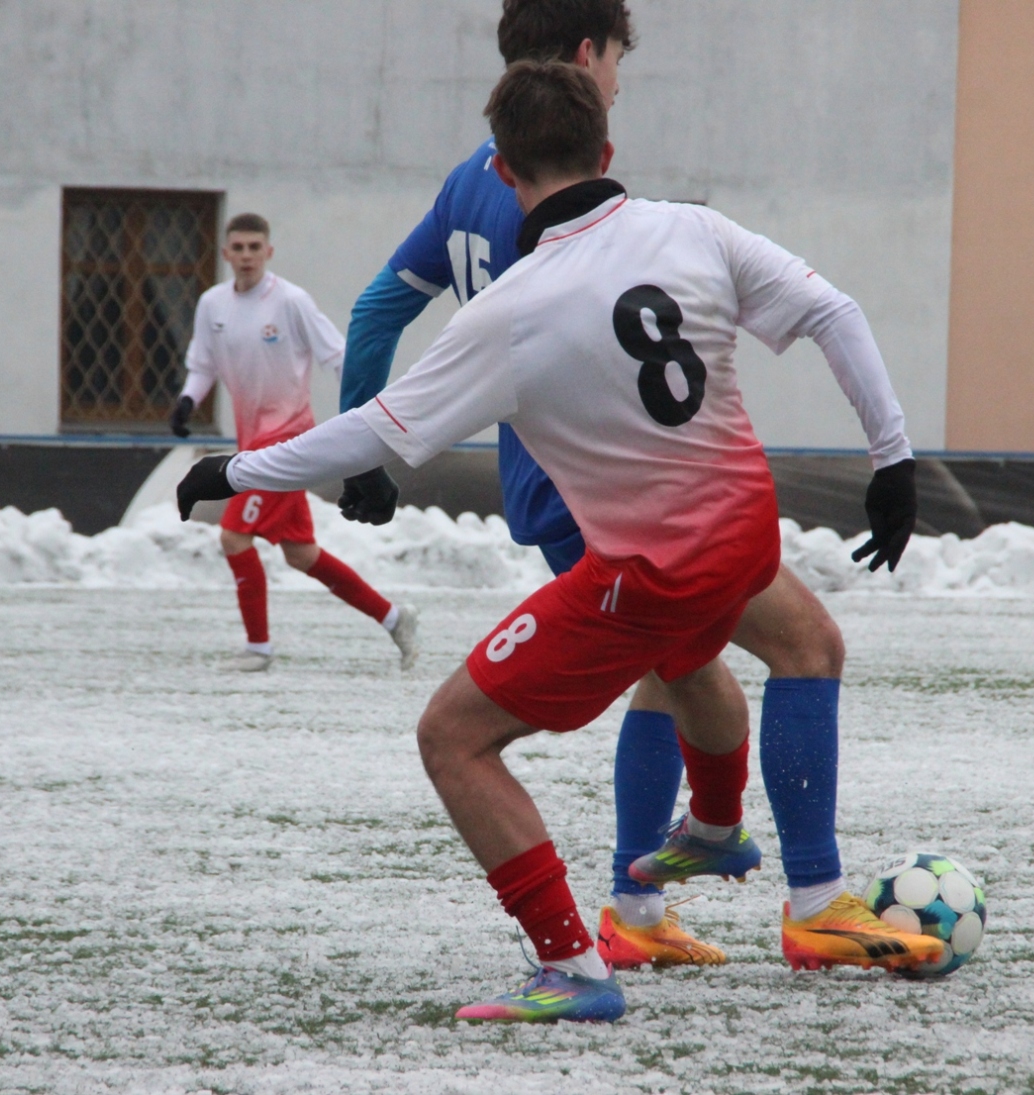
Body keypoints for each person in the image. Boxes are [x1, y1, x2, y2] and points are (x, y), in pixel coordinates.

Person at [177, 62, 943, 1021]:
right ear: (607, 148)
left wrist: (234, 471)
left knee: (453, 736)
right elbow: (835, 310)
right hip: (746, 539)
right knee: (720, 657)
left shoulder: (513, 309)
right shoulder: (694, 228)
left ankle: (575, 968)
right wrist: (892, 459)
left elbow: (374, 429)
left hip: (647, 576)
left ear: (503, 172)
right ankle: (713, 829)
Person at [337, 0, 918, 972]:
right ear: (585, 55)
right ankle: (811, 901)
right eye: (615, 62)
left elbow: (373, 311)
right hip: (612, 492)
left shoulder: (473, 180)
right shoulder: (568, 198)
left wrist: (363, 449)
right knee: (802, 645)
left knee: (676, 673)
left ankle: (637, 909)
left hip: (550, 490)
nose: (617, 82)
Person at [171, 212, 420, 673]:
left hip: (288, 439)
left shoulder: (291, 301)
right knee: (301, 554)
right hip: (250, 442)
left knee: (233, 536)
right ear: (225, 253)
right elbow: (202, 365)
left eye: (254, 247)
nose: (246, 255)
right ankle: (394, 618)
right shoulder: (212, 304)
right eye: (238, 247)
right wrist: (187, 401)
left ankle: (258, 649)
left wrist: (364, 416)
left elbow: (339, 357)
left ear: (268, 252)